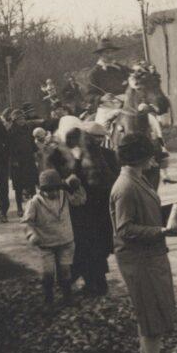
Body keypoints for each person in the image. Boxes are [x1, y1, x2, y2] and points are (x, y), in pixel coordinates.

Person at [110, 133, 177, 353]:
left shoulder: (136, 179)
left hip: (149, 255)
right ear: (140, 157)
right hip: (138, 258)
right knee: (150, 311)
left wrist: (168, 219)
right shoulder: (126, 187)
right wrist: (161, 231)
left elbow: (141, 217)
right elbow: (124, 229)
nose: (154, 158)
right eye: (150, 154)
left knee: (151, 308)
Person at [22, 169, 87, 307]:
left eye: (56, 189)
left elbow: (80, 201)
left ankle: (67, 296)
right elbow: (27, 222)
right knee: (48, 272)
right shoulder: (35, 203)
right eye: (48, 190)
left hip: (65, 241)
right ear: (41, 189)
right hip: (46, 244)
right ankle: (48, 298)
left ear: (60, 187)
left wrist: (77, 187)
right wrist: (32, 234)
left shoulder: (64, 195)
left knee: (65, 270)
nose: (53, 193)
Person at [70, 125, 119, 295]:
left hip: (92, 210)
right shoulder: (106, 155)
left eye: (100, 137)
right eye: (95, 137)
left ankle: (94, 283)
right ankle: (97, 282)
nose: (97, 140)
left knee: (92, 246)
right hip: (96, 209)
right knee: (97, 246)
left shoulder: (82, 157)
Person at [7, 110, 39, 217]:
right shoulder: (10, 131)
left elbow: (31, 142)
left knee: (32, 183)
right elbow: (9, 148)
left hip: (28, 160)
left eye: (23, 118)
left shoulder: (28, 129)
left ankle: (35, 206)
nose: (22, 121)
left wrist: (35, 152)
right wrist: (14, 160)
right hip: (17, 163)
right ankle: (19, 207)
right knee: (18, 186)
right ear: (14, 121)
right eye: (19, 119)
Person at [86, 38, 130, 105]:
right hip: (108, 106)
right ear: (100, 55)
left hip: (127, 102)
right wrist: (101, 98)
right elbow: (88, 96)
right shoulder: (94, 73)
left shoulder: (121, 68)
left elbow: (134, 76)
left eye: (112, 52)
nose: (110, 55)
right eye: (107, 52)